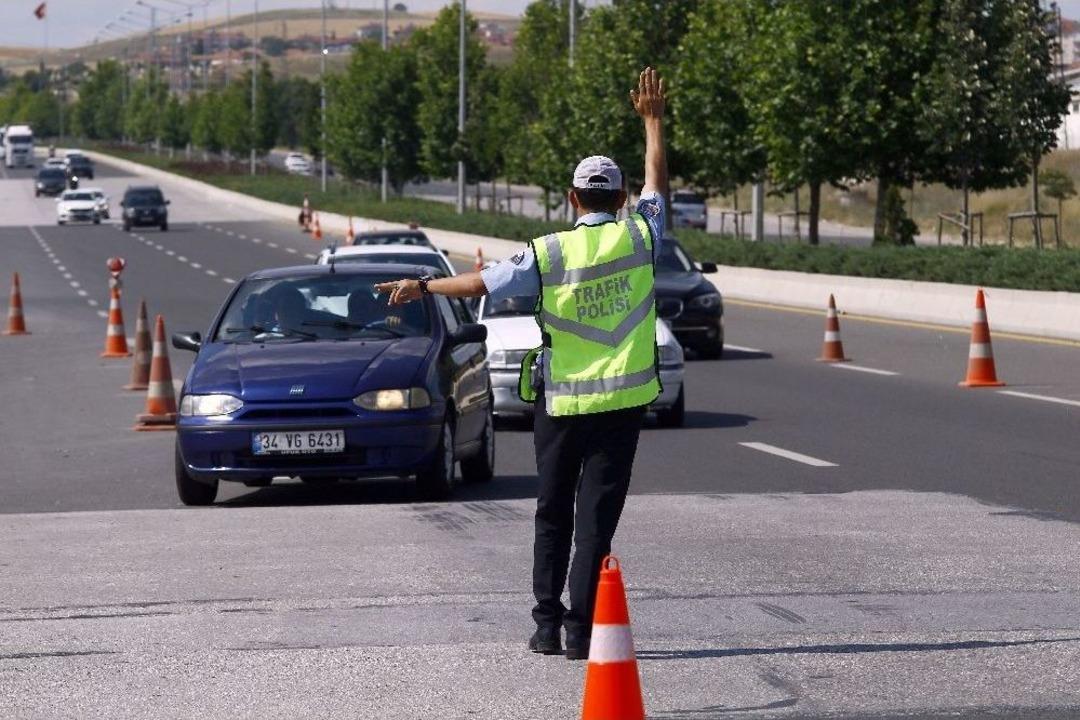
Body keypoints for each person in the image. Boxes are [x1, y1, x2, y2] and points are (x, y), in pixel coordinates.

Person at [375, 67, 669, 661]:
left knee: (551, 511)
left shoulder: (547, 251)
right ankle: (583, 633)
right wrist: (654, 122)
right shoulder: (641, 237)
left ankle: (544, 624)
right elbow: (659, 184)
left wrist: (423, 285)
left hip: (560, 404)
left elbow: (480, 280)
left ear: (570, 198)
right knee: (595, 524)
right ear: (619, 199)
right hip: (621, 408)